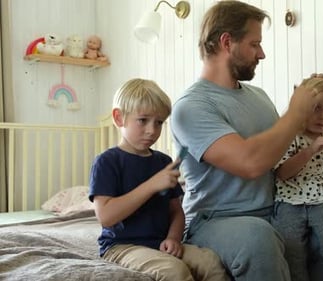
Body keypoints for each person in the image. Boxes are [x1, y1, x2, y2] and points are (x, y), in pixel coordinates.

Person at [170, 1, 323, 280]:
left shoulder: (259, 97)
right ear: (226, 42)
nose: (262, 54)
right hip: (215, 220)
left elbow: (279, 145)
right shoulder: (192, 107)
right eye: (254, 44)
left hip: (279, 209)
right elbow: (250, 162)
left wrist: (310, 103)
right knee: (259, 238)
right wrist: (295, 112)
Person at [88, 78, 228, 281]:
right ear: (119, 118)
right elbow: (106, 216)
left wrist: (173, 238)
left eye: (159, 122)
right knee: (173, 271)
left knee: (210, 263)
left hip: (160, 242)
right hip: (122, 247)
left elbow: (175, 211)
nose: (152, 130)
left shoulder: (163, 161)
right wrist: (152, 185)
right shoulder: (107, 161)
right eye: (143, 120)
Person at [271, 77, 323, 281]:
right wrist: (310, 150)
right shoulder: (289, 137)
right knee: (292, 251)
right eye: (316, 108)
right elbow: (282, 173)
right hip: (290, 202)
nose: (322, 117)